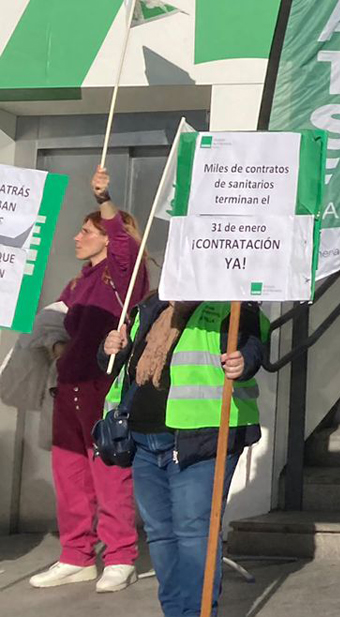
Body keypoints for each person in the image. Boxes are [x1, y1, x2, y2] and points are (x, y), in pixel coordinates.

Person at [100, 298, 266, 617]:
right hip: (141, 438)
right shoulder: (151, 305)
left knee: (194, 531)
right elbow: (117, 364)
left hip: (201, 438)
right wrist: (110, 348)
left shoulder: (231, 302)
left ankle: (196, 613)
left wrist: (244, 359)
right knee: (160, 533)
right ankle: (175, 612)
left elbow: (254, 344)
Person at [29, 167, 145, 593]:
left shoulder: (123, 277)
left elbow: (125, 249)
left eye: (85, 232)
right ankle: (76, 555)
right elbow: (53, 324)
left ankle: (120, 556)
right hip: (69, 386)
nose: (76, 238)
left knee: (109, 470)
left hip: (104, 384)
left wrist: (105, 200)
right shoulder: (78, 282)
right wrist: (58, 351)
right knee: (70, 473)